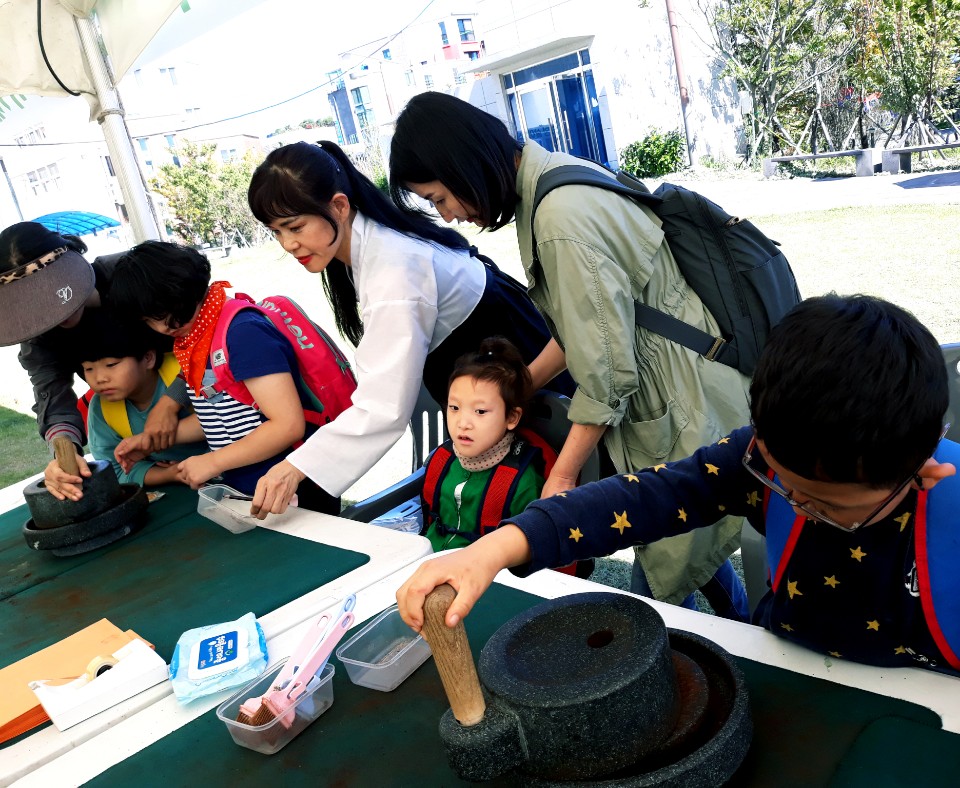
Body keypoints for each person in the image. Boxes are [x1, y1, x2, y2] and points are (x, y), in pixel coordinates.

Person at [398, 294, 960, 676]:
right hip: (787, 668)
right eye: (784, 488)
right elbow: (646, 498)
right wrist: (493, 549)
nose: (797, 508)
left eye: (831, 509)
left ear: (924, 469)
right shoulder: (762, 455)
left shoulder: (945, 512)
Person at [389, 92, 749, 619]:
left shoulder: (558, 217)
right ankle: (740, 628)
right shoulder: (553, 181)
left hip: (683, 402)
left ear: (462, 166)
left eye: (440, 198)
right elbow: (583, 329)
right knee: (690, 541)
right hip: (688, 389)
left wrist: (562, 482)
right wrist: (518, 390)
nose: (448, 215)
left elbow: (605, 375)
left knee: (651, 587)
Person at [244, 140, 573, 519]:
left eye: (295, 226)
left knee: (529, 508)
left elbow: (383, 405)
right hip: (489, 375)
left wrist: (293, 468)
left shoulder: (393, 269)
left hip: (517, 369)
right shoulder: (368, 244)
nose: (288, 244)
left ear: (338, 206)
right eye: (276, 232)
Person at [109, 241, 339, 513]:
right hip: (254, 491)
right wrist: (151, 441)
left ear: (183, 289)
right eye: (149, 320)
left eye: (164, 313)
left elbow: (287, 425)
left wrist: (213, 462)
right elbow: (224, 416)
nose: (161, 327)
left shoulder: (242, 333)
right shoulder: (197, 339)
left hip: (294, 491)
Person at [0, 222, 190, 501]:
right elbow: (52, 396)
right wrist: (64, 451)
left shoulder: (136, 273)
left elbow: (211, 338)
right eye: (36, 306)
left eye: (52, 296)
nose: (53, 315)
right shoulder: (39, 335)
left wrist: (170, 400)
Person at [422, 336, 544, 551]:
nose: (463, 423)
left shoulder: (522, 483)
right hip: (428, 560)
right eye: (454, 407)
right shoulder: (441, 460)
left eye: (480, 411)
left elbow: (529, 550)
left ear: (512, 418)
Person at [75, 308, 207, 486]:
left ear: (148, 358)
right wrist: (170, 474)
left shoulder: (184, 372)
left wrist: (149, 441)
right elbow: (113, 469)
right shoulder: (102, 409)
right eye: (89, 369)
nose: (100, 379)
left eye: (111, 364)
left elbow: (229, 416)